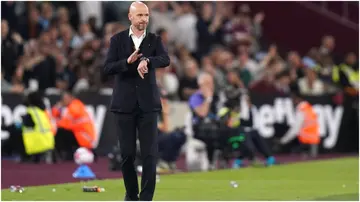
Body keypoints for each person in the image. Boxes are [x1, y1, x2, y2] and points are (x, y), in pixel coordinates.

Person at [103, 1, 170, 201]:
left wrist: (147, 61)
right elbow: (107, 68)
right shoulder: (117, 40)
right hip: (124, 105)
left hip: (148, 105)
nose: (143, 19)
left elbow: (165, 59)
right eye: (139, 15)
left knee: (150, 155)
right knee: (127, 155)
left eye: (146, 15)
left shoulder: (154, 40)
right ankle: (131, 195)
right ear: (130, 17)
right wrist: (127, 62)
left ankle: (146, 197)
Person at [2, 91, 55, 163]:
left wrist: (7, 127)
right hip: (48, 142)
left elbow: (25, 125)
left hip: (38, 142)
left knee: (15, 134)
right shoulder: (41, 111)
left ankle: (23, 156)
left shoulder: (31, 111)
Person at [51, 91, 96, 161]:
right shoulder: (72, 106)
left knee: (61, 132)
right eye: (63, 99)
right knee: (62, 131)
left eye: (66, 98)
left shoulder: (75, 106)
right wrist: (57, 108)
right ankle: (66, 154)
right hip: (78, 134)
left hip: (84, 136)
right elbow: (54, 115)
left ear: (72, 98)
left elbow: (65, 124)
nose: (64, 101)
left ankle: (63, 154)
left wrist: (58, 121)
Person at [188, 73, 220, 170]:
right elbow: (202, 114)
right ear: (201, 85)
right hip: (200, 129)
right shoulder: (195, 98)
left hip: (215, 127)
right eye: (208, 83)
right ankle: (211, 163)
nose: (211, 86)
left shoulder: (217, 97)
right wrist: (208, 99)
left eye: (211, 83)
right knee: (212, 134)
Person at [279, 84, 320, 158]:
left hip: (306, 143)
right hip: (314, 141)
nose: (292, 101)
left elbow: (295, 129)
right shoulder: (308, 107)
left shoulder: (301, 110)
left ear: (297, 99)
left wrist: (283, 141)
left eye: (293, 99)